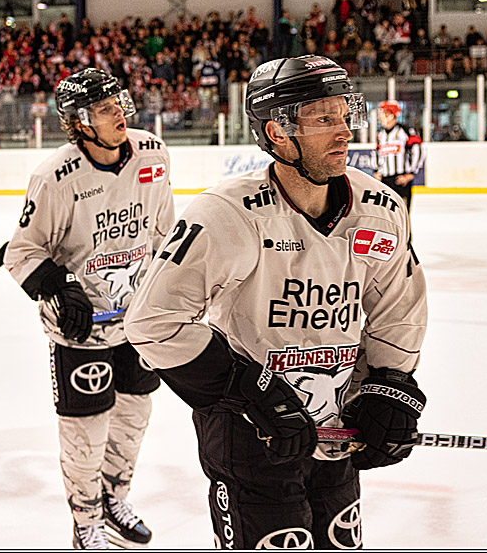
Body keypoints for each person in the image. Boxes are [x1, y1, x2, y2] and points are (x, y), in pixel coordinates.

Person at [125, 56, 428, 549]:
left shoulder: (382, 208)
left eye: (345, 114)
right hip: (251, 435)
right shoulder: (227, 214)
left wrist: (391, 385)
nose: (345, 132)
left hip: (336, 428)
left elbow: (398, 308)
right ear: (278, 131)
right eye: (323, 119)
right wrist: (251, 390)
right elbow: (153, 321)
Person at [4, 68, 176, 549]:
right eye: (104, 109)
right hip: (81, 330)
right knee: (86, 431)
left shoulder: (152, 153)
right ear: (79, 122)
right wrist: (57, 285)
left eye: (118, 102)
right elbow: (21, 254)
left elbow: (164, 230)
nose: (119, 112)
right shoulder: (54, 176)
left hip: (138, 321)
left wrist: (170, 292)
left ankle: (115, 498)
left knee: (133, 419)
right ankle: (85, 521)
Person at [375, 101, 425, 213]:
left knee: (402, 215)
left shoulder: (405, 131)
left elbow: (419, 151)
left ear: (391, 114)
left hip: (401, 180)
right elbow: (377, 153)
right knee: (386, 215)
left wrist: (410, 174)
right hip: (385, 181)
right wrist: (377, 171)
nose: (379, 117)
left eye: (383, 113)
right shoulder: (381, 134)